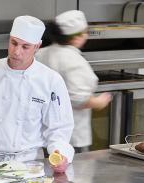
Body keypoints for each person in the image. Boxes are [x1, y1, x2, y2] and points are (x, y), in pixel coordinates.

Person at [0, 15, 74, 172]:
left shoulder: (50, 80)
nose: (17, 52)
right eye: (14, 43)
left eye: (25, 47)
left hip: (30, 164)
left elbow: (58, 128)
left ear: (37, 46)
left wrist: (60, 153)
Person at [36, 10, 112, 153]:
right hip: (71, 136)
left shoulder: (41, 53)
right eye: (85, 32)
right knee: (72, 173)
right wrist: (99, 102)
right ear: (76, 37)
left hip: (44, 132)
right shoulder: (74, 61)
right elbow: (77, 98)